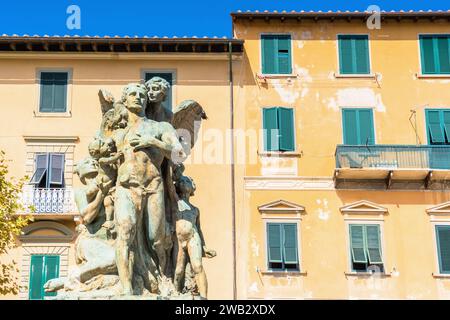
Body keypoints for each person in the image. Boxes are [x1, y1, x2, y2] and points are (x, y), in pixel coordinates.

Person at [113, 83, 186, 295]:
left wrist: (151, 141)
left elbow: (179, 152)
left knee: (157, 239)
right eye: (132, 94)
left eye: (142, 95)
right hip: (126, 187)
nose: (138, 97)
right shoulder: (118, 131)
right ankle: (127, 289)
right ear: (125, 100)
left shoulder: (160, 127)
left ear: (147, 100)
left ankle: (164, 276)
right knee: (125, 230)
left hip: (153, 186)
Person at [173, 175, 216, 298]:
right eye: (181, 181)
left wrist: (204, 247)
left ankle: (203, 296)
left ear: (193, 188)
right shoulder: (174, 202)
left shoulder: (195, 210)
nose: (183, 183)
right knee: (178, 271)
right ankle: (176, 294)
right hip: (177, 238)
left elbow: (199, 228)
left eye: (187, 181)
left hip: (193, 236)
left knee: (198, 266)